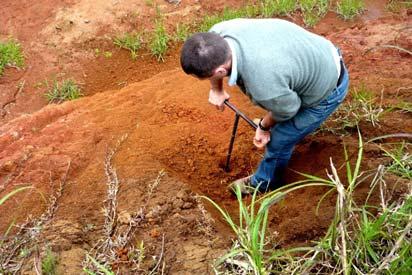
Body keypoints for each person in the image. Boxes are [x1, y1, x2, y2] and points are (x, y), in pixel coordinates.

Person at [180, 18, 349, 194]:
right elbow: (217, 67)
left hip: (328, 88)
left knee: (279, 140)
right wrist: (217, 90)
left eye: (207, 77)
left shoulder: (263, 82)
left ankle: (265, 182)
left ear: (220, 71)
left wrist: (264, 126)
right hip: (316, 52)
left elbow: (289, 109)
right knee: (275, 99)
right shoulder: (216, 35)